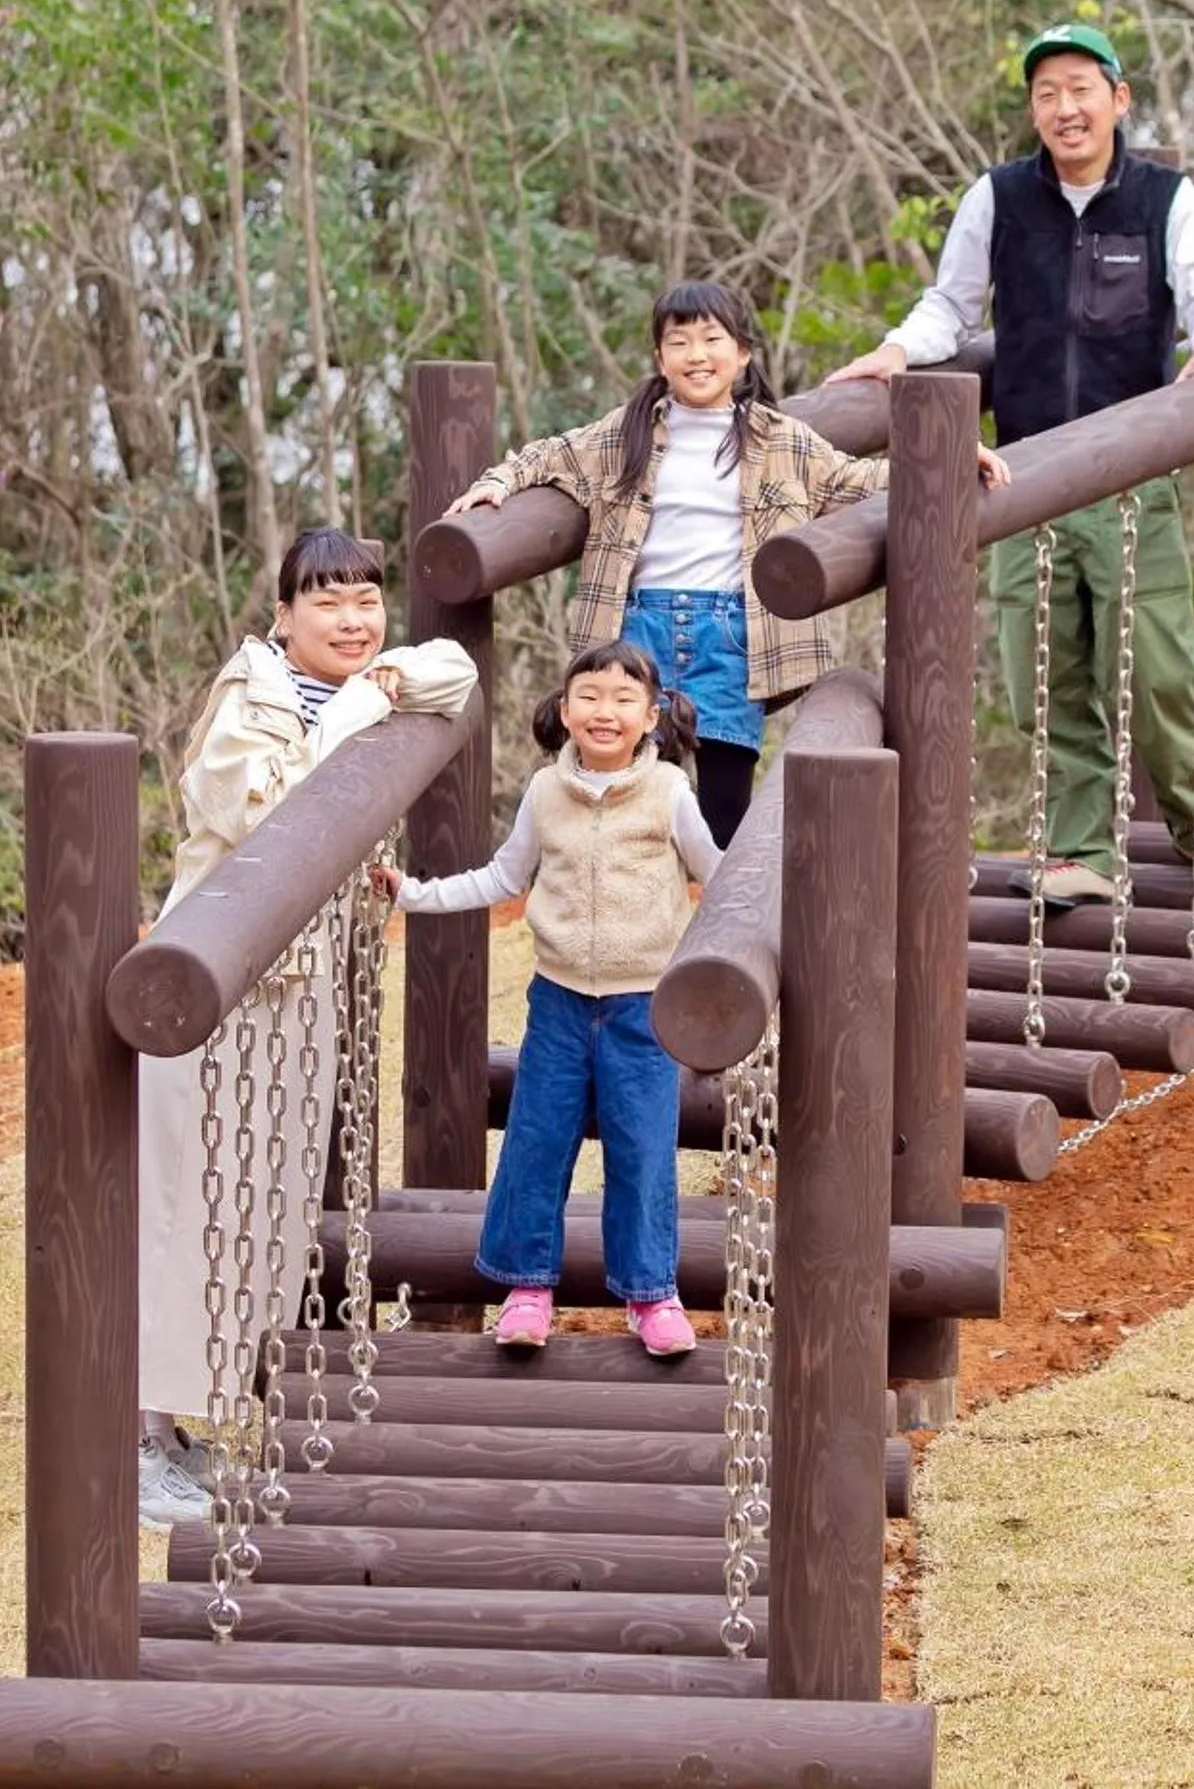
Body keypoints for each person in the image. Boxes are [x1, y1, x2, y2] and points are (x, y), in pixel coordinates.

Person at [827, 22, 1194, 905]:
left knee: (1158, 668)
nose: (1065, 109)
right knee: (1046, 675)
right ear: (1033, 110)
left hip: (1129, 476)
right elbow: (949, 306)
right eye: (1046, 94)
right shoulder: (997, 198)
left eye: (1081, 89)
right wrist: (895, 350)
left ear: (1119, 99)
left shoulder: (1163, 197)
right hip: (1021, 480)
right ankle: (1084, 852)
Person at [135, 527, 477, 1525]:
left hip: (293, 997)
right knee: (181, 1207)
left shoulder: (371, 680)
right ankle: (137, 1438)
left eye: (367, 598)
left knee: (255, 1209)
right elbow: (270, 814)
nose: (353, 619)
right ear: (282, 617)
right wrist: (363, 710)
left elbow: (454, 669)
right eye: (326, 600)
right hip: (209, 988)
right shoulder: (251, 700)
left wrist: (380, 683)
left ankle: (184, 1427)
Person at [445, 280, 1004, 844]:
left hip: (732, 634)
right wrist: (495, 483)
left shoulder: (780, 438)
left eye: (712, 339)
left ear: (742, 353)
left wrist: (948, 456)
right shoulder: (627, 431)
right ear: (660, 359)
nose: (697, 355)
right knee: (634, 796)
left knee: (724, 804)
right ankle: (642, 919)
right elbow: (548, 455)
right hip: (639, 632)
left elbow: (853, 479)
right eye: (679, 341)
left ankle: (716, 924)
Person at [380, 640, 719, 1356]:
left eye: (625, 700)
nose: (606, 711)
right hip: (560, 1002)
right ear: (564, 712)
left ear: (651, 718)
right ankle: (527, 1286)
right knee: (537, 1139)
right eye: (589, 696)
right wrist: (415, 895)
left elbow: (717, 874)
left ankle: (651, 1293)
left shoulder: (668, 795)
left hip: (643, 1007)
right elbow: (504, 877)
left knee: (643, 1148)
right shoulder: (545, 792)